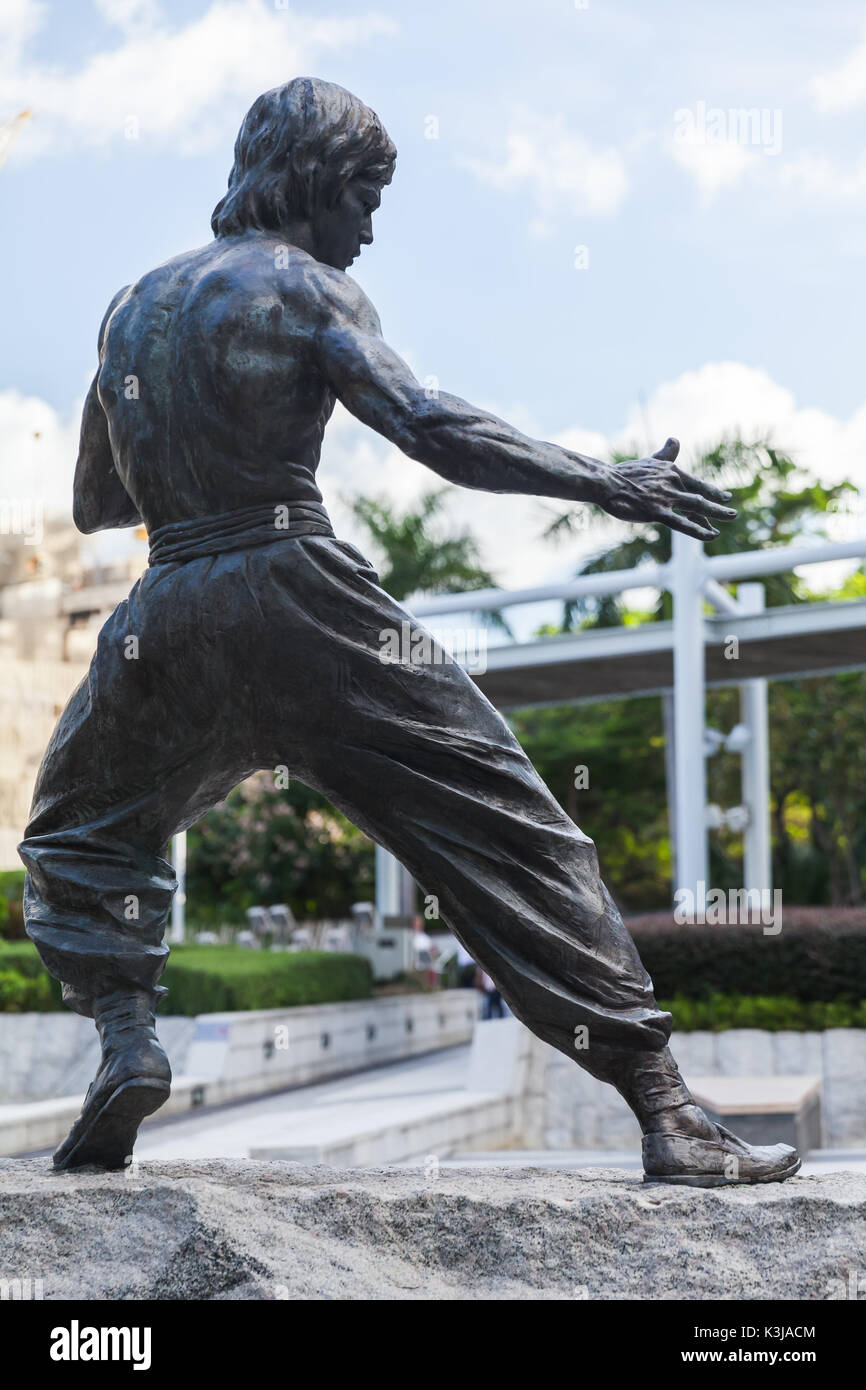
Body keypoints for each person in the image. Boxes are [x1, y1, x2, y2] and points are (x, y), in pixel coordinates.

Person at [19, 78, 798, 1186]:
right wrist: (604, 483)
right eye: (363, 197)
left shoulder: (130, 307)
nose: (369, 229)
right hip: (295, 591)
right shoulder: (304, 286)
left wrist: (174, 427)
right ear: (315, 183)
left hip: (169, 610)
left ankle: (129, 1037)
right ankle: (668, 1112)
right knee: (505, 826)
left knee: (77, 835)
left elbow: (100, 502)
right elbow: (428, 425)